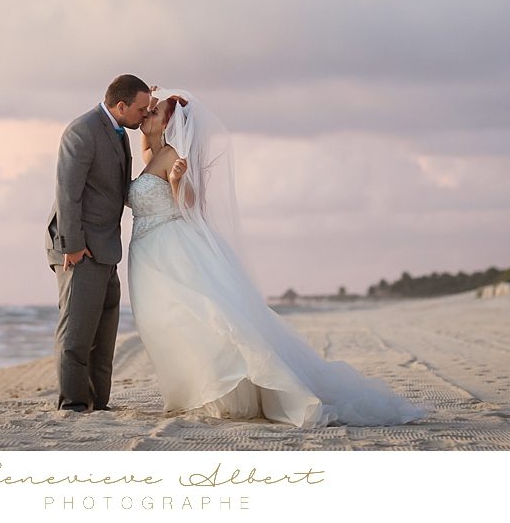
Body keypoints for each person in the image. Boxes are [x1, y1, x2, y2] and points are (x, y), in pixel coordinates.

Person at [127, 89, 428, 427]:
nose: (147, 115)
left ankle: (219, 392)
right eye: (148, 110)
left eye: (154, 112)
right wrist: (155, 100)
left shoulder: (171, 155)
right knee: (167, 323)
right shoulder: (150, 151)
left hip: (171, 249)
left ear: (169, 125)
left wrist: (177, 179)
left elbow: (191, 202)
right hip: (149, 250)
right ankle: (189, 389)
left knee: (197, 316)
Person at [45, 74, 153, 412]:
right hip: (79, 247)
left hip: (106, 247)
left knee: (104, 333)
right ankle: (74, 404)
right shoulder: (82, 131)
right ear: (120, 106)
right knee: (76, 333)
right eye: (141, 109)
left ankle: (97, 402)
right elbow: (67, 192)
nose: (144, 115)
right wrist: (71, 245)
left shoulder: (120, 132)